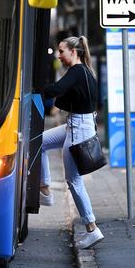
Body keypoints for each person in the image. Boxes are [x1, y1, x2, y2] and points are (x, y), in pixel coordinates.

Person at [39, 35, 104, 249]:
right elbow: (65, 99)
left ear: (73, 52)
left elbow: (56, 91)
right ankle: (45, 189)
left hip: (79, 128)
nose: (59, 55)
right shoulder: (85, 72)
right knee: (39, 142)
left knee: (74, 181)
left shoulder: (77, 72)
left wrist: (34, 88)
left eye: (62, 51)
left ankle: (92, 228)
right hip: (75, 124)